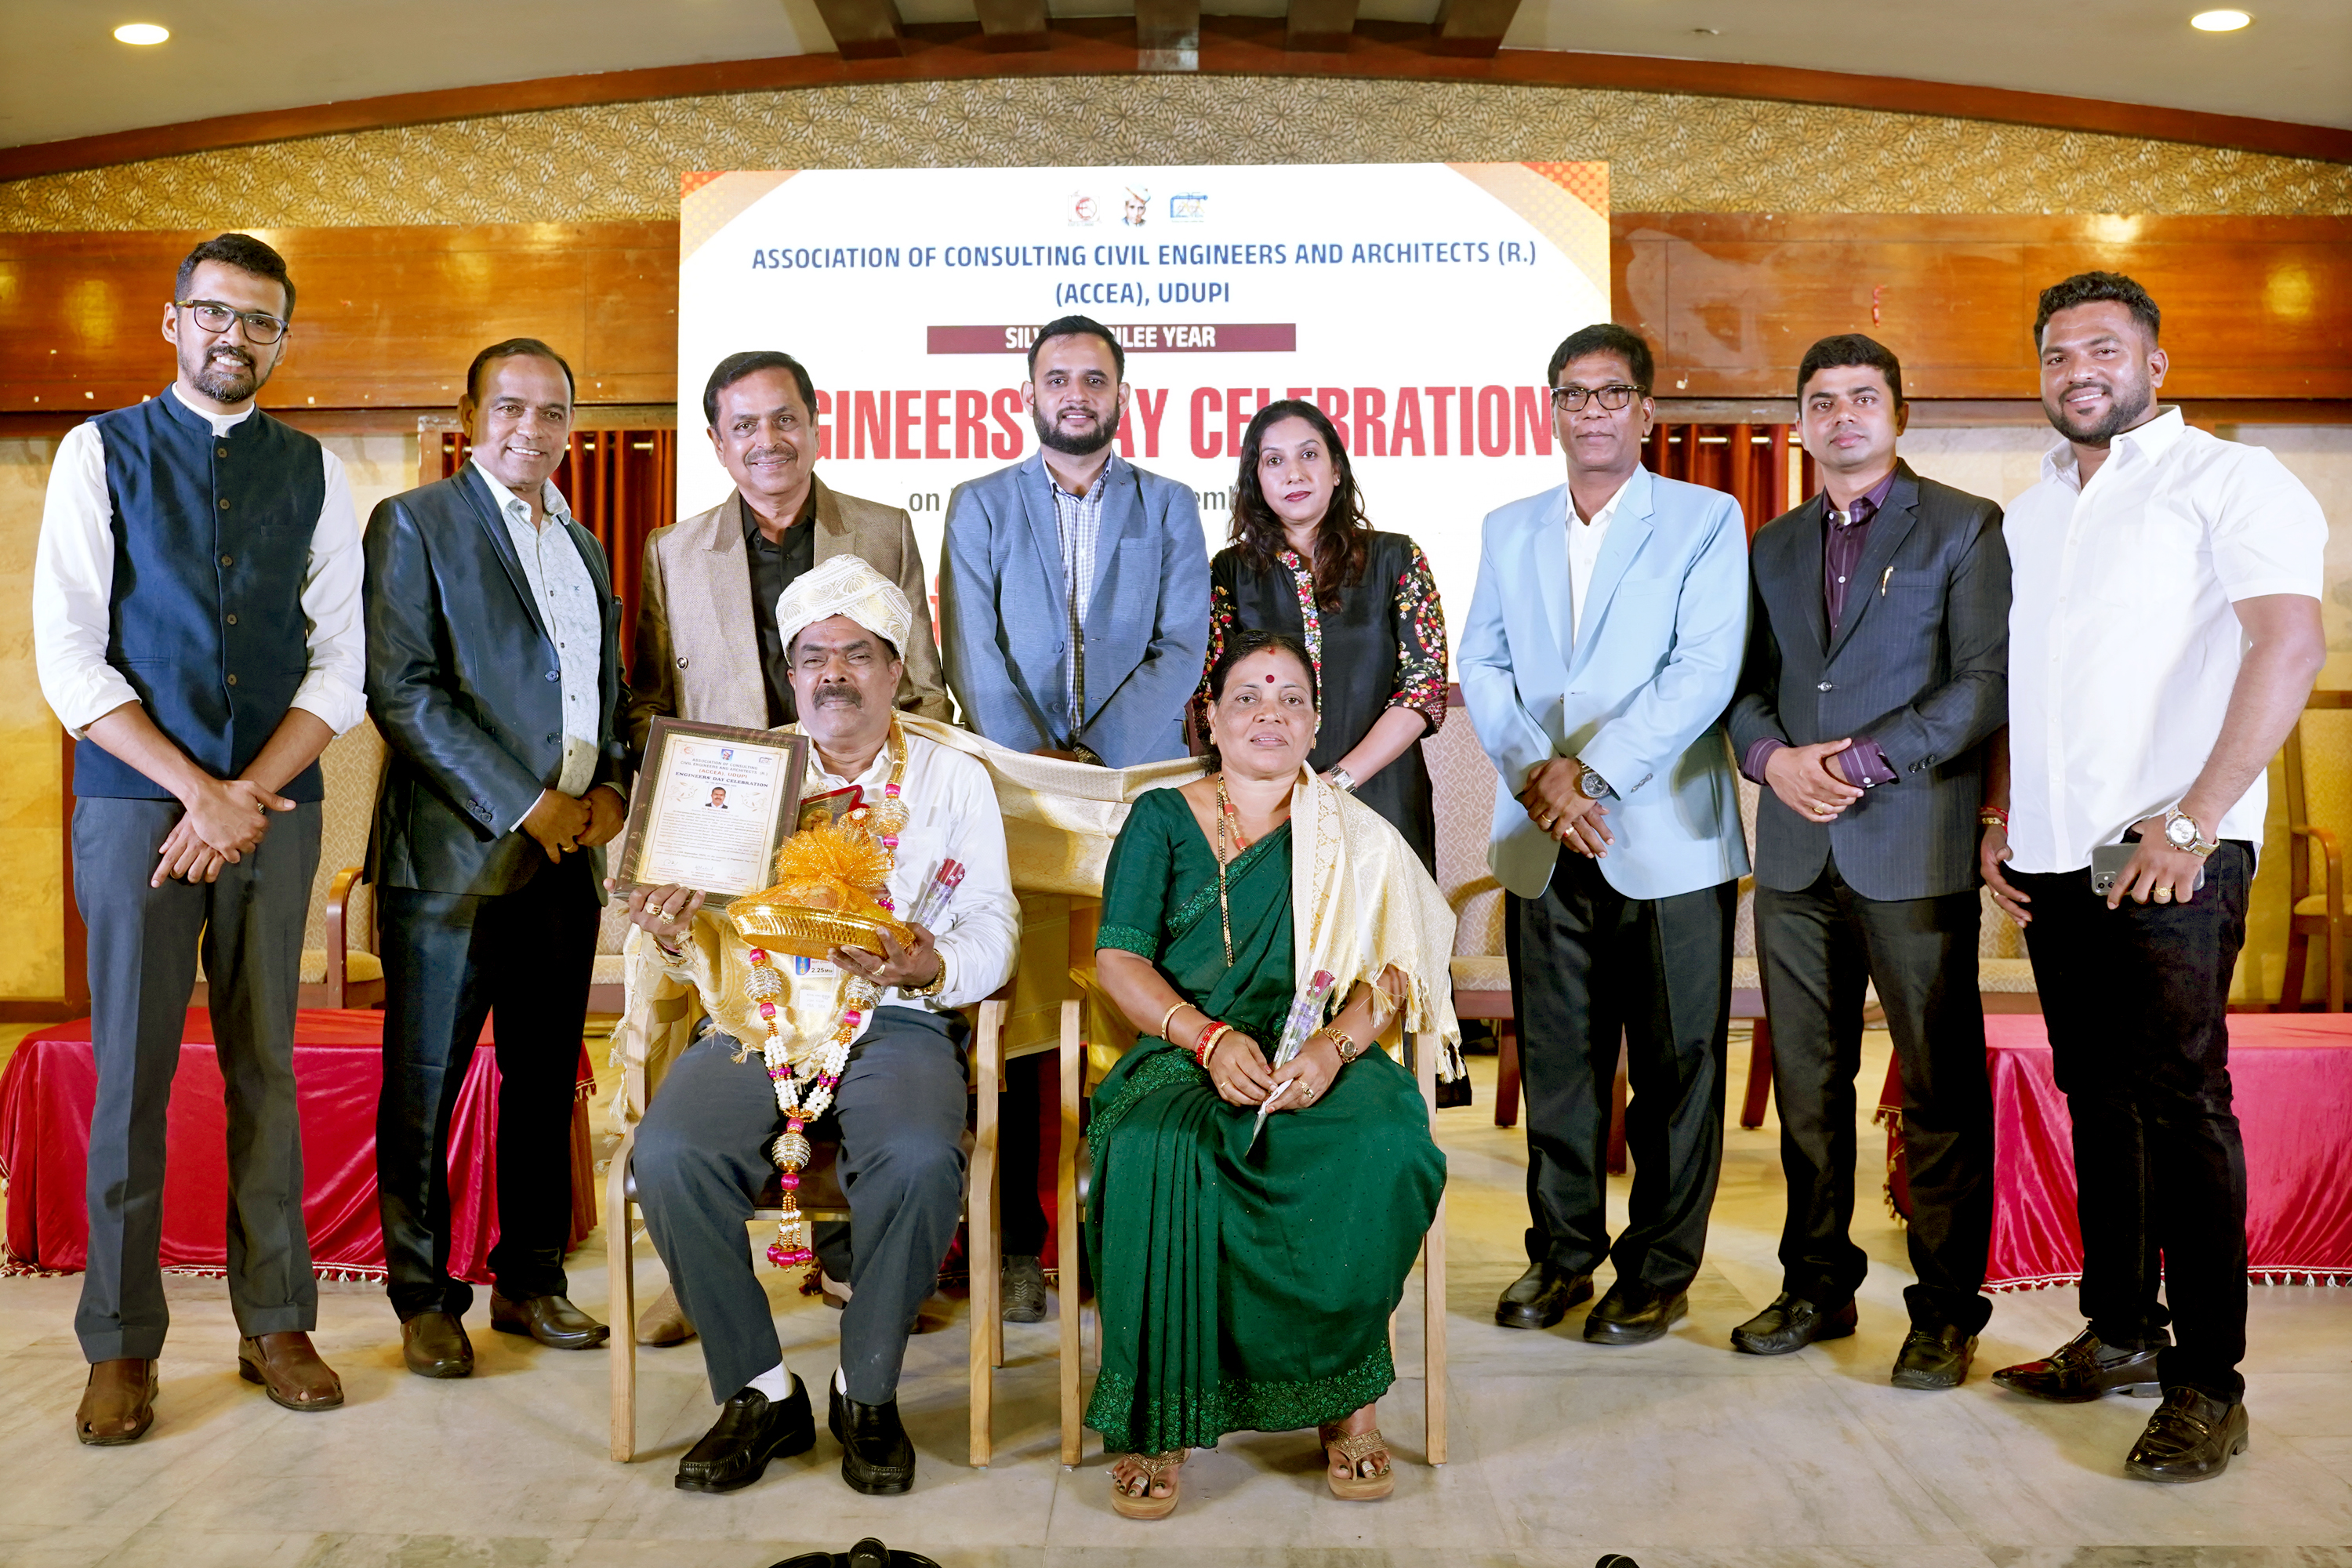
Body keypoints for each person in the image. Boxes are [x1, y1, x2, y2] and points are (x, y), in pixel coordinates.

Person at [1983, 273, 2325, 1482]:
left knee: (2183, 1105)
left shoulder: (2230, 478)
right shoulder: (2029, 513)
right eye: (2057, 352)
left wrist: (2193, 819)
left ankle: (2208, 1385)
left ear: (2154, 365)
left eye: (2104, 348)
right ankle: (2123, 1330)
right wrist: (2000, 814)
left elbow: (2290, 643)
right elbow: (2027, 680)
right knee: (2100, 1097)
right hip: (2054, 855)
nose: (2079, 369)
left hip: (2176, 850)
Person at [33, 232, 361, 1443]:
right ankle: (120, 1343)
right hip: (134, 808)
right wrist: (195, 793)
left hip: (275, 807)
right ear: (173, 321)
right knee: (132, 1071)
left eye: (260, 321)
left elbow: (341, 666)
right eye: (215, 313)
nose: (236, 336)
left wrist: (245, 796)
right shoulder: (98, 452)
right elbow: (70, 657)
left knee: (266, 1064)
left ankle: (276, 1320)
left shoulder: (316, 470)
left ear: (282, 339)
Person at [622, 554, 1021, 1497]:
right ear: (791, 673)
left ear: (895, 670)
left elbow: (995, 926)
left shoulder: (954, 777)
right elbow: (686, 943)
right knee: (669, 1153)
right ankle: (761, 1389)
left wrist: (930, 963)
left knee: (922, 1157)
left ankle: (865, 1387)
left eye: (857, 654)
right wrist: (669, 929)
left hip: (896, 1018)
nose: (833, 673)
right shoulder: (734, 771)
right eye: (813, 656)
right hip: (755, 1014)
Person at [1085, 630, 1452, 1518]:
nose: (1269, 714)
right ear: (1209, 718)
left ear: (1316, 725)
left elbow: (1391, 971)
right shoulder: (1160, 817)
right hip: (1185, 1051)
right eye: (1246, 696)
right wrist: (1208, 1039)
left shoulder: (1353, 833)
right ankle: (1162, 1409)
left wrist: (1333, 1050)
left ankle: (1346, 1400)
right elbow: (1119, 960)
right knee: (1154, 1149)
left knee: (1384, 1141)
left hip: (1321, 1050)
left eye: (1291, 699)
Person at [1725, 334, 2009, 1385]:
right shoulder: (1772, 542)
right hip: (1796, 855)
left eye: (1861, 397)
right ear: (1799, 423)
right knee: (1808, 1086)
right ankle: (1817, 1283)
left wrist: (1859, 758)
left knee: (1937, 1090)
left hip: (1914, 846)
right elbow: (1745, 686)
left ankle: (1945, 1309)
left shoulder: (1965, 524)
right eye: (1821, 401)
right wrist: (1772, 759)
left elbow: (1984, 682)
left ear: (1899, 414)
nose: (1841, 415)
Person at [1460, 322, 1750, 1345]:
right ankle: (1562, 1255)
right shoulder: (1509, 527)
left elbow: (1703, 671)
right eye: (1574, 394)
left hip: (1664, 834)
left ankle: (1660, 1270)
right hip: (1544, 837)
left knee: (1676, 1071)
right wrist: (1538, 775)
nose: (1593, 411)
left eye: (1612, 393)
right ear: (1553, 410)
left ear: (1646, 411)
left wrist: (1589, 776)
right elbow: (1483, 663)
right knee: (1560, 1064)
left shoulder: (1706, 519)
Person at [363, 337, 630, 1378]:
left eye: (552, 410)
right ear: (469, 416)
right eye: (510, 407)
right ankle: (424, 1297)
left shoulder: (586, 545)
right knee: (424, 1084)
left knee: (544, 1080)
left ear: (572, 426)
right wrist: (529, 804)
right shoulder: (415, 523)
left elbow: (600, 691)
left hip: (566, 861)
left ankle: (531, 1278)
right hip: (450, 862)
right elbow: (405, 692)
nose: (532, 428)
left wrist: (609, 791)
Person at [938, 314, 1210, 1320]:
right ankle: (1014, 1242)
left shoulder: (1170, 505)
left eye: (1095, 378)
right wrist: (1036, 757)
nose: (1077, 394)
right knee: (1010, 1021)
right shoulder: (979, 504)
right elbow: (971, 650)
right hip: (1015, 802)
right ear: (1029, 394)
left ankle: (1110, 1234)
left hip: (1133, 798)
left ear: (1122, 394)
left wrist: (1097, 757)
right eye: (1059, 378)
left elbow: (1182, 644)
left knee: (1125, 1011)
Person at [628, 349, 949, 755]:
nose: (768, 441)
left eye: (785, 420)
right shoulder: (672, 554)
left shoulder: (886, 533)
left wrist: (904, 780)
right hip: (727, 787)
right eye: (745, 426)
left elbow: (923, 693)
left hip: (864, 786)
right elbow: (650, 708)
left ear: (815, 427)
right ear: (718, 443)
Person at [1196, 400, 1447, 871]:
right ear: (1256, 481)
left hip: (1383, 799)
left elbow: (1424, 690)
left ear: (1336, 470)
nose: (1293, 473)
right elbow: (1212, 699)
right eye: (1274, 460)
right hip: (1267, 809)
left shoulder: (1397, 558)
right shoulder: (1228, 573)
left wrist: (1336, 784)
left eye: (1308, 455)